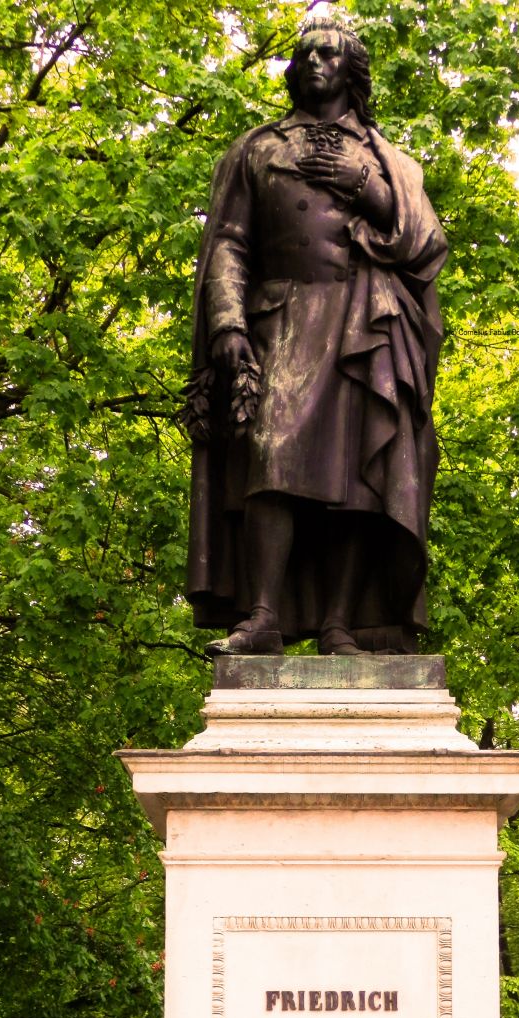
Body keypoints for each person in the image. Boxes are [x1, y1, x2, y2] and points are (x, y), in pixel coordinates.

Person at [182, 16, 447, 656]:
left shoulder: (384, 159)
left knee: (358, 472)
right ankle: (265, 612)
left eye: (329, 53)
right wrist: (227, 321)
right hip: (283, 318)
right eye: (305, 53)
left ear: (349, 68)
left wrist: (364, 188)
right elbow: (229, 244)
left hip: (364, 319)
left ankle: (338, 622)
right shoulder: (257, 149)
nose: (315, 61)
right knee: (272, 454)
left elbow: (424, 243)